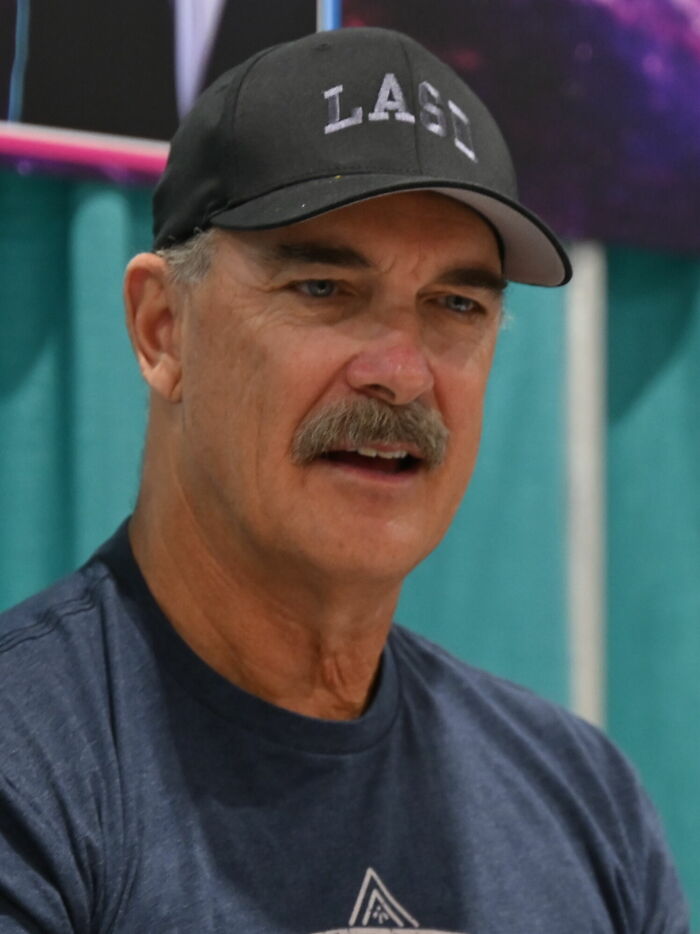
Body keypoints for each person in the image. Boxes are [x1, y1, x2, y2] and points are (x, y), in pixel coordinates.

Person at [0, 27, 689, 934]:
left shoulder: (583, 803)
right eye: (324, 288)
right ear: (163, 330)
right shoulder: (29, 770)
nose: (401, 374)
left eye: (456, 305)